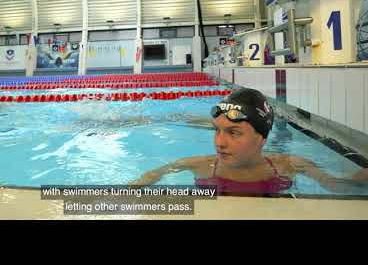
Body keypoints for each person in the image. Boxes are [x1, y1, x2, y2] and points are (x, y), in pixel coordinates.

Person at [130, 88, 368, 195]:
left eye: (234, 133)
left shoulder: (289, 165)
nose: (219, 143)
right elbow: (153, 174)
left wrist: (357, 180)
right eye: (217, 131)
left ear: (262, 138)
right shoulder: (200, 165)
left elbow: (334, 185)